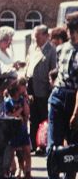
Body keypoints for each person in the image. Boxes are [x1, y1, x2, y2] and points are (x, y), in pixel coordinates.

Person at [45, 11, 78, 179]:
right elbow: (59, 70)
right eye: (70, 30)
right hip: (58, 96)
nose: (73, 34)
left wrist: (76, 112)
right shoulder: (61, 49)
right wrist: (54, 77)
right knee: (53, 145)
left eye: (76, 30)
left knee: (72, 148)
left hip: (75, 99)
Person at [24, 25, 57, 154]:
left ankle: (42, 145)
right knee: (32, 117)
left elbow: (53, 70)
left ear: (45, 36)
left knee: (43, 118)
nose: (36, 39)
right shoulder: (32, 48)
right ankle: (32, 143)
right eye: (35, 37)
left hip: (43, 89)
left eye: (38, 36)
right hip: (31, 87)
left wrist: (50, 88)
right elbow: (28, 64)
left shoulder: (51, 50)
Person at [3, 75, 35, 179]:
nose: (24, 89)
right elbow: (9, 115)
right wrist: (20, 109)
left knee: (26, 151)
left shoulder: (22, 100)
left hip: (22, 129)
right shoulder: (7, 102)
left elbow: (27, 113)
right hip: (12, 130)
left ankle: (28, 173)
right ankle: (11, 172)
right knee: (12, 153)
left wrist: (25, 101)